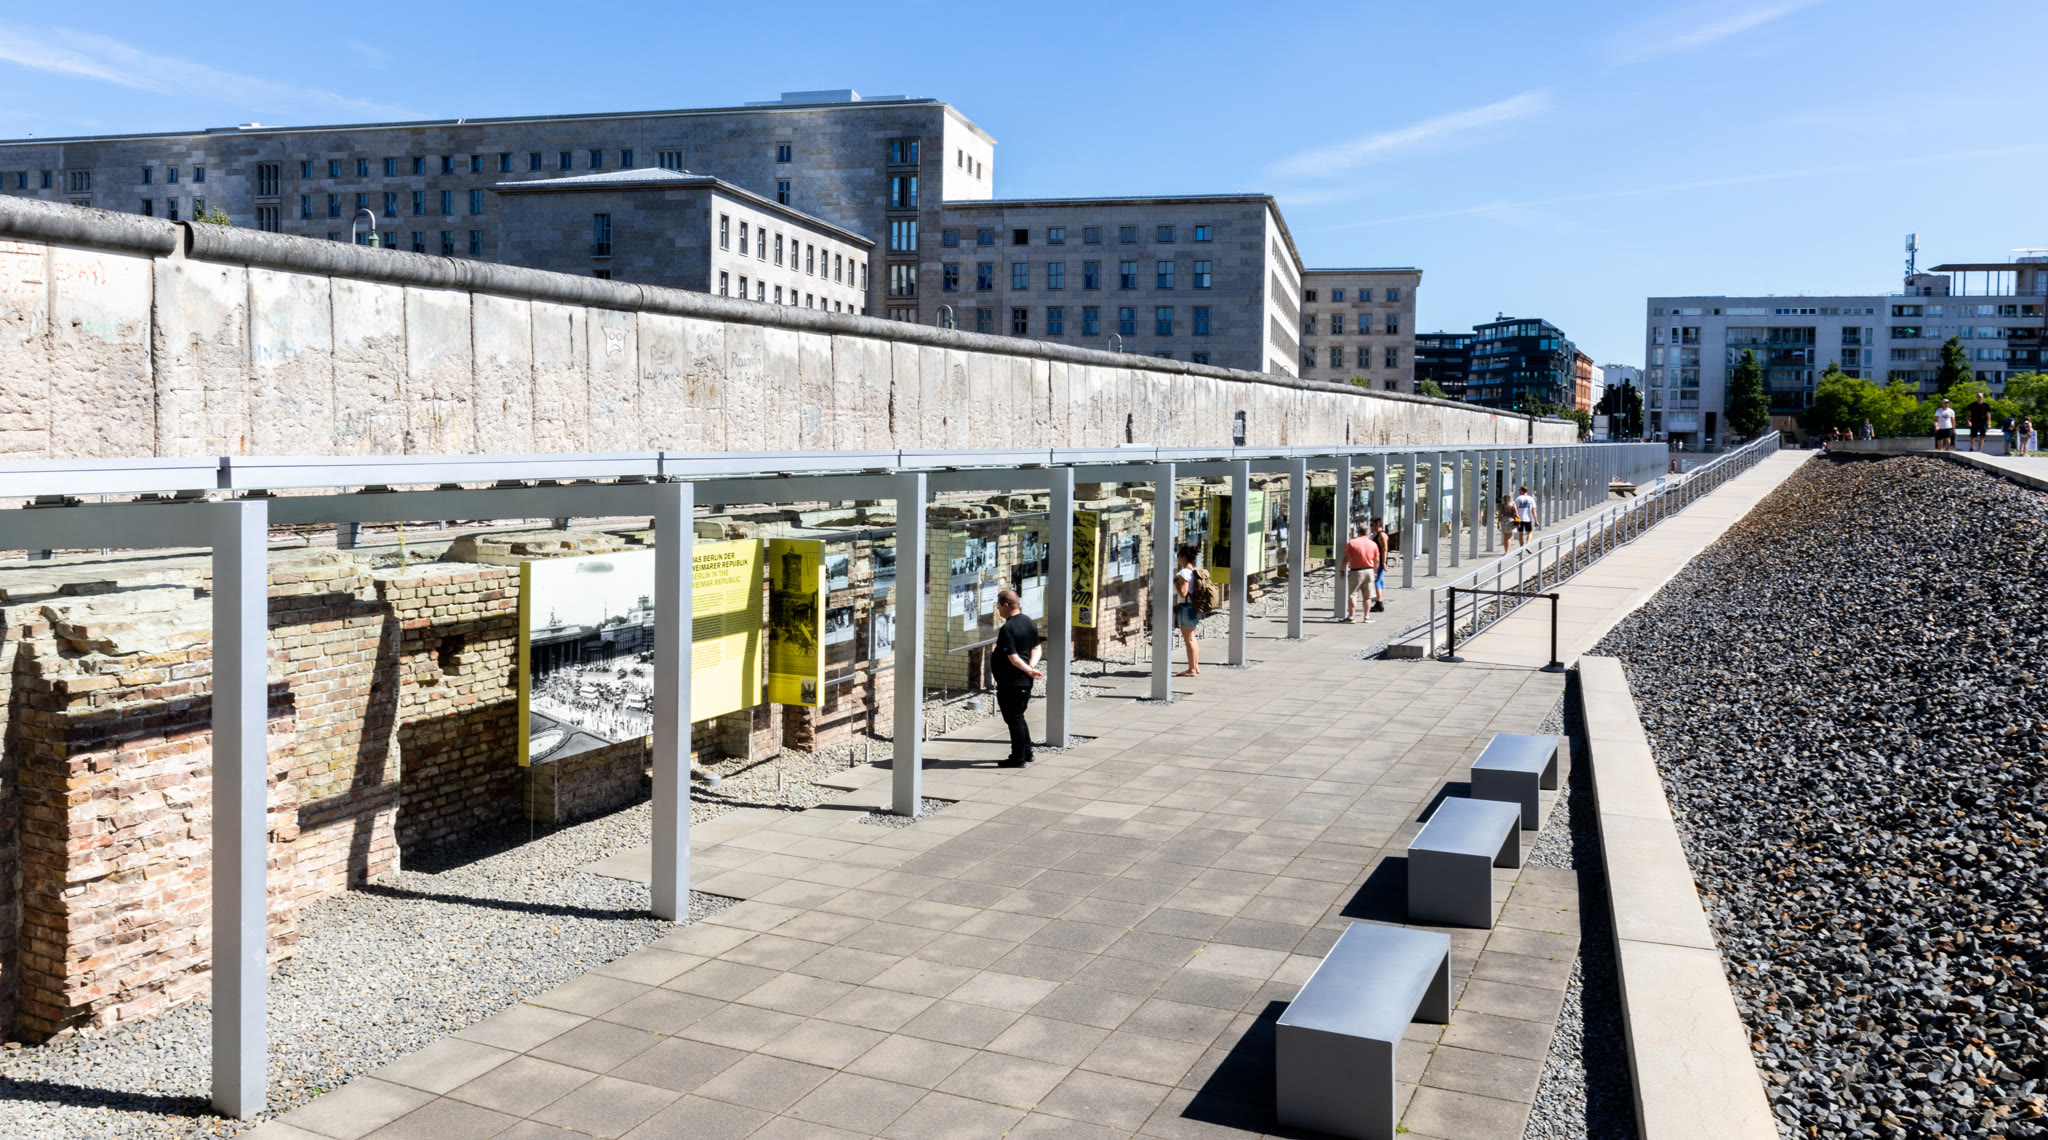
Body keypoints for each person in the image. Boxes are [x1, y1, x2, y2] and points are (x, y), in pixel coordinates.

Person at [990, 588, 1044, 767]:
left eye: (998, 605)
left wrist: (1029, 669)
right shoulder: (1028, 622)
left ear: (1005, 605)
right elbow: (1037, 648)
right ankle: (1027, 752)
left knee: (1014, 719)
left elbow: (1013, 658)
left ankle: (1018, 757)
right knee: (1018, 717)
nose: (998, 609)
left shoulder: (1008, 628)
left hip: (1012, 682)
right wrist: (1031, 668)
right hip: (1023, 681)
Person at [1173, 545, 1203, 677]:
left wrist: (1175, 581)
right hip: (1194, 607)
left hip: (1187, 608)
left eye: (1179, 555)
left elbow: (1183, 593)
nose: (1177, 558)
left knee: (1189, 640)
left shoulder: (1184, 573)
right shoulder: (1194, 571)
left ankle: (1191, 670)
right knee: (1192, 639)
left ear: (1184, 557)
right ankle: (1195, 666)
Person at [1342, 522, 1380, 622]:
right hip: (1369, 571)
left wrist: (1342, 569)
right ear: (1368, 533)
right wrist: (1375, 572)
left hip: (1356, 572)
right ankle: (1366, 617)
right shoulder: (1373, 544)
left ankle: (1351, 617)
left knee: (1353, 595)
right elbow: (1377, 560)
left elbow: (1346, 558)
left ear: (1358, 532)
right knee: (1367, 596)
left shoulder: (1352, 543)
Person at [1368, 517, 1389, 611]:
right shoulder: (1379, 534)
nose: (1371, 527)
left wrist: (1383, 562)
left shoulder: (1381, 535)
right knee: (1380, 581)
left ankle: (1379, 603)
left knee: (1377, 581)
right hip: (1379, 561)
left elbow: (1384, 549)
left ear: (1378, 524)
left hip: (1379, 561)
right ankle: (1379, 601)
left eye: (1372, 525)